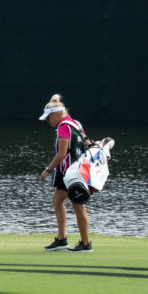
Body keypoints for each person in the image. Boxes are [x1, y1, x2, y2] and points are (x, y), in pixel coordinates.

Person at [37, 95, 93, 252]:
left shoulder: (63, 127)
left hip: (71, 173)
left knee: (78, 206)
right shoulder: (76, 123)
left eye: (48, 118)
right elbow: (88, 143)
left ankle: (85, 244)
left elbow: (62, 154)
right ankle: (61, 240)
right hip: (75, 170)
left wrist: (47, 170)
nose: (48, 121)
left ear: (56, 114)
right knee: (57, 200)